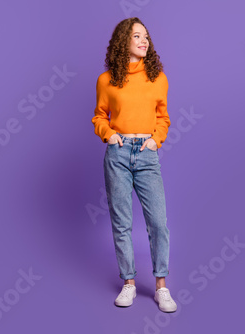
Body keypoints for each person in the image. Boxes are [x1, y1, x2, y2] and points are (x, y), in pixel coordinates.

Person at [91, 17, 177, 313]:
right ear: (123, 41)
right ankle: (128, 282)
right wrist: (110, 136)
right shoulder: (106, 80)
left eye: (146, 37)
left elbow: (163, 118)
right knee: (121, 223)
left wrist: (155, 141)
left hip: (146, 153)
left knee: (158, 223)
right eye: (138, 36)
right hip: (117, 154)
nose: (145, 41)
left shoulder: (158, 77)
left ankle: (161, 288)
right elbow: (100, 116)